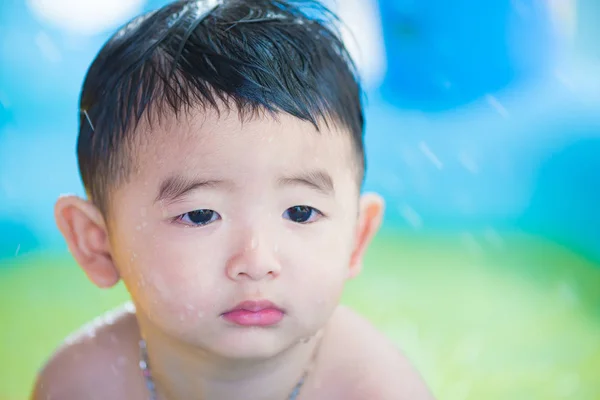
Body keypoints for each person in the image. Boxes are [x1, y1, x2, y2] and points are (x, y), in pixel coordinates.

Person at [32, 1, 434, 398]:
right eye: (201, 215)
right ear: (97, 242)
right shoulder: (81, 385)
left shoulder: (376, 390)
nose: (257, 263)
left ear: (356, 237)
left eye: (300, 212)